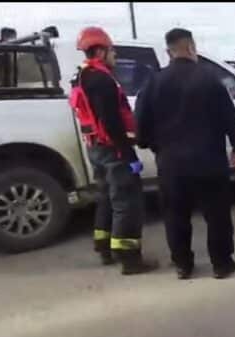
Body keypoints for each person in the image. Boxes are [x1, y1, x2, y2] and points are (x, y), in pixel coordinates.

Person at [135, 28, 235, 280]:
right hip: (209, 160)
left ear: (169, 52)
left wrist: (154, 146)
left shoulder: (154, 83)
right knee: (217, 214)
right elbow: (229, 117)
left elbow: (141, 126)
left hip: (171, 163)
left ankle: (183, 265)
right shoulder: (209, 79)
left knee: (175, 215)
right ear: (191, 47)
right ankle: (221, 264)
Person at [69, 26, 158, 275]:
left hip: (96, 148)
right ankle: (129, 259)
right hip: (113, 150)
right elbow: (111, 122)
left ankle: (104, 247)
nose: (115, 55)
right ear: (100, 51)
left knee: (107, 198)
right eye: (112, 50)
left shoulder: (82, 76)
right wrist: (128, 155)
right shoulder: (102, 80)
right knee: (127, 202)